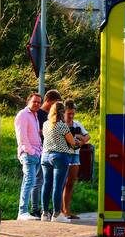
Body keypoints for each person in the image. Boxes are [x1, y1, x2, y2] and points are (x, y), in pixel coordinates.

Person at [41, 101, 80, 222]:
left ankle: (44, 214)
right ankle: (57, 215)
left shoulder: (46, 124)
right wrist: (78, 142)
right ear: (62, 112)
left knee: (46, 185)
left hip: (45, 156)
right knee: (57, 186)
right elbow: (72, 142)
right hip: (60, 156)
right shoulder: (62, 125)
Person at [14, 92, 43, 220]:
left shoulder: (35, 115)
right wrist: (29, 151)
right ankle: (22, 212)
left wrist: (39, 151)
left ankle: (26, 211)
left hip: (36, 153)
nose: (36, 104)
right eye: (34, 101)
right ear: (28, 102)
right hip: (28, 153)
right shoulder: (23, 115)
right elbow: (22, 136)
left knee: (31, 182)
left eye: (39, 102)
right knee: (29, 181)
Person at [33, 89, 62, 214]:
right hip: (40, 150)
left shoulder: (51, 115)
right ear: (49, 101)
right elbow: (37, 132)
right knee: (37, 181)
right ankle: (36, 208)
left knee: (47, 182)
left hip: (49, 151)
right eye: (55, 103)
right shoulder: (38, 114)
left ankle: (45, 208)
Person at [61, 102, 90, 220]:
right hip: (63, 154)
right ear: (64, 112)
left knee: (70, 183)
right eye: (69, 113)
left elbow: (87, 136)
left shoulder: (77, 124)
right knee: (60, 183)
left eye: (73, 113)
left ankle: (67, 210)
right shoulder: (61, 124)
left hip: (75, 155)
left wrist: (81, 141)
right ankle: (58, 210)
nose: (71, 116)